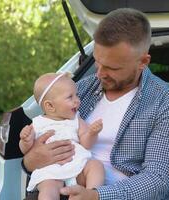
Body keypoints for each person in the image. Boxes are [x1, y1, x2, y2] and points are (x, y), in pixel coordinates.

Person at [22, 8, 169, 200]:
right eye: (97, 61)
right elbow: (41, 139)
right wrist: (30, 160)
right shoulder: (81, 89)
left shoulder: (168, 103)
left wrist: (96, 196)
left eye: (111, 67)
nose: (100, 73)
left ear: (143, 61)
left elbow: (157, 179)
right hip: (60, 188)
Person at [19, 72, 105, 200]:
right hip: (50, 170)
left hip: (78, 165)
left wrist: (92, 133)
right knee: (48, 189)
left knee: (96, 166)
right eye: (70, 97)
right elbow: (26, 150)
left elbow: (86, 143)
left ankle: (89, 193)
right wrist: (25, 140)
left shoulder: (76, 119)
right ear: (50, 106)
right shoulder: (37, 123)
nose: (77, 100)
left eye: (76, 95)